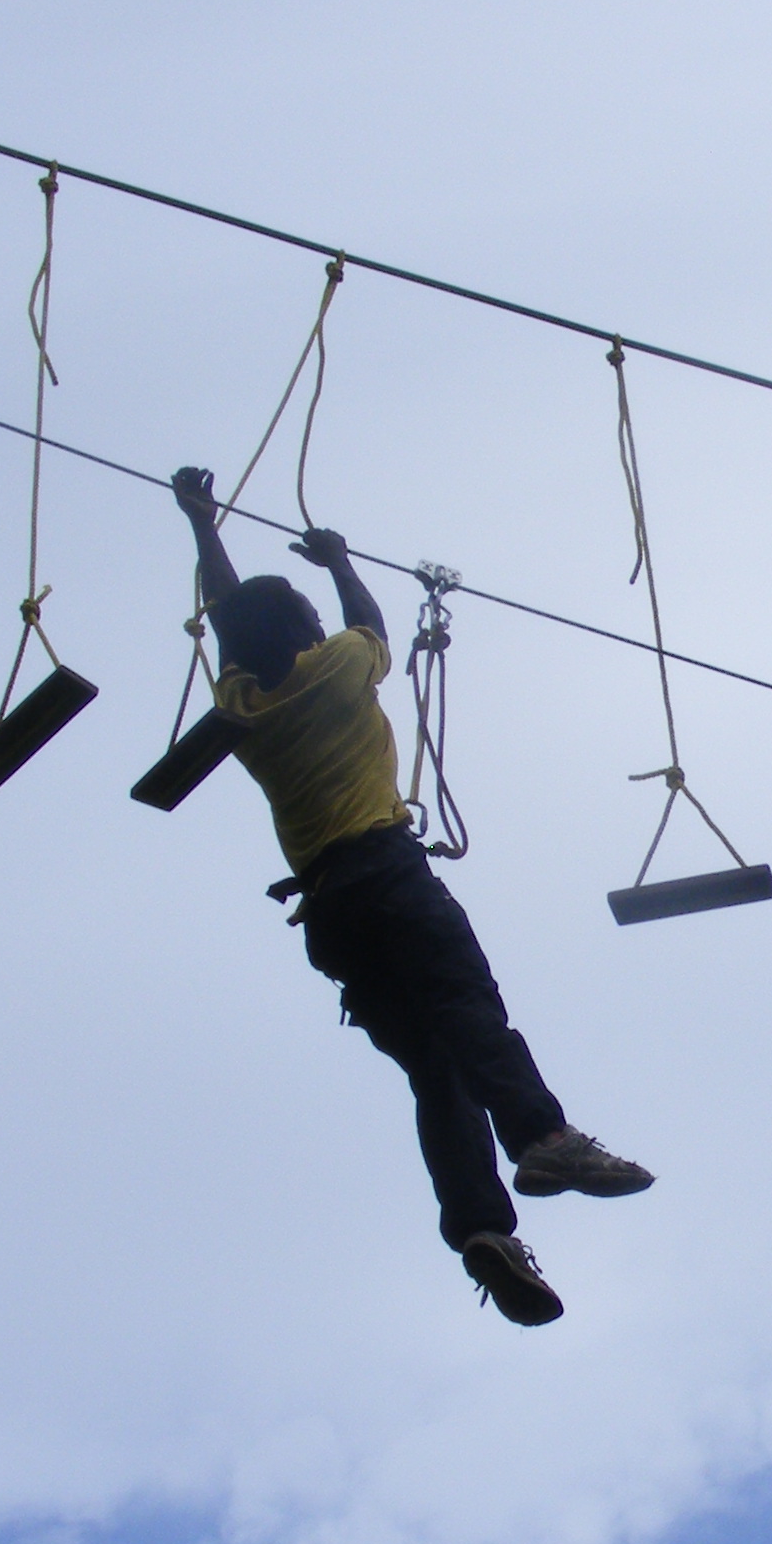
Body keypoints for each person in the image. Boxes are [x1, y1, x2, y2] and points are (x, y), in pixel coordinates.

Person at [172, 467, 653, 1325]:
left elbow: (228, 617)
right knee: (469, 1008)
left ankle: (480, 1230)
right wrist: (339, 560)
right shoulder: (343, 667)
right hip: (388, 876)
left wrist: (204, 526)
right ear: (307, 636)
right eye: (314, 624)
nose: (327, 630)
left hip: (330, 920)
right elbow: (368, 621)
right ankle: (542, 1137)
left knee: (437, 1072)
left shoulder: (242, 703)